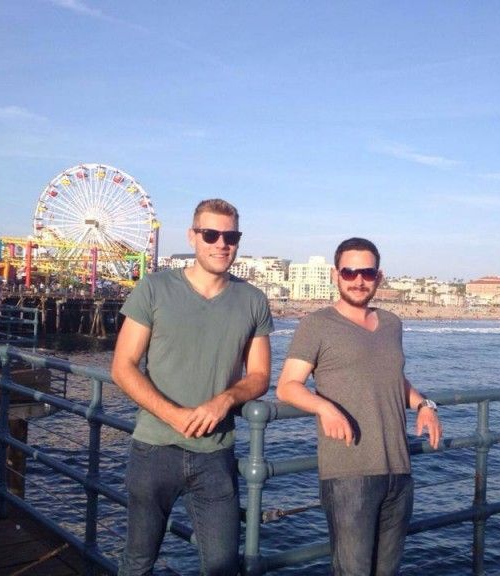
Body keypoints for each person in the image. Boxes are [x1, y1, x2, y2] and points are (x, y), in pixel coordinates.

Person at [111, 198, 273, 575]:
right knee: (138, 560)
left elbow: (260, 375)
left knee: (222, 566)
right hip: (154, 449)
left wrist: (225, 400)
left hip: (216, 454)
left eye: (230, 235)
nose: (221, 243)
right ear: (192, 236)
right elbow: (122, 366)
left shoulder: (252, 300)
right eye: (211, 234)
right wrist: (174, 415)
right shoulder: (154, 288)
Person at [276, 237, 442, 575]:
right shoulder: (317, 325)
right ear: (336, 275)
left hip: (398, 470)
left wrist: (425, 403)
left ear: (378, 277)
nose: (358, 280)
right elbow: (288, 386)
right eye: (349, 272)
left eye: (366, 272)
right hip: (349, 473)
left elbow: (395, 379)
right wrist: (325, 408)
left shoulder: (392, 323)